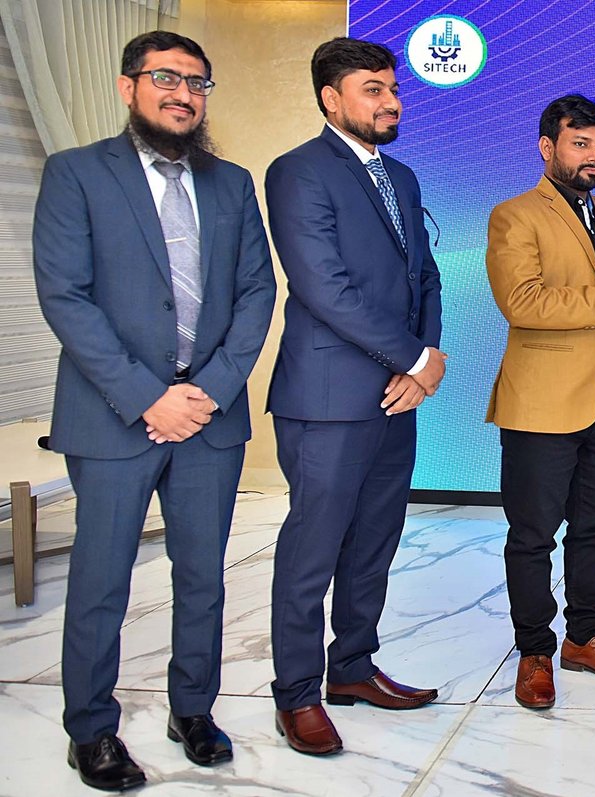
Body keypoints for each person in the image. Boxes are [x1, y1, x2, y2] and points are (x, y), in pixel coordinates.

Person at [32, 30, 275, 791]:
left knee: (203, 576)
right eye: (166, 78)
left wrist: (211, 390)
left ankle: (192, 710)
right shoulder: (76, 173)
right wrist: (148, 398)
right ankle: (90, 729)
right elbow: (65, 296)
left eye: (197, 83)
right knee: (101, 581)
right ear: (127, 86)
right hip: (113, 417)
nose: (183, 94)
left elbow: (257, 292)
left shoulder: (232, 182)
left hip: (209, 417)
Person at [265, 37, 445, 755]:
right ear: (330, 98)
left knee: (374, 542)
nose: (391, 100)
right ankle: (297, 695)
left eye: (393, 88)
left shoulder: (401, 175)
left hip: (395, 397)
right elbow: (324, 287)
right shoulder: (298, 171)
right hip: (327, 399)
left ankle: (353, 668)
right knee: (311, 553)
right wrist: (416, 358)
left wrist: (423, 363)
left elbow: (424, 277)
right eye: (373, 89)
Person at [486, 94, 595, 709]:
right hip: (541, 403)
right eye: (580, 144)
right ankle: (534, 650)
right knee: (532, 535)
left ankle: (585, 638)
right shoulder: (514, 215)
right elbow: (523, 303)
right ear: (548, 147)